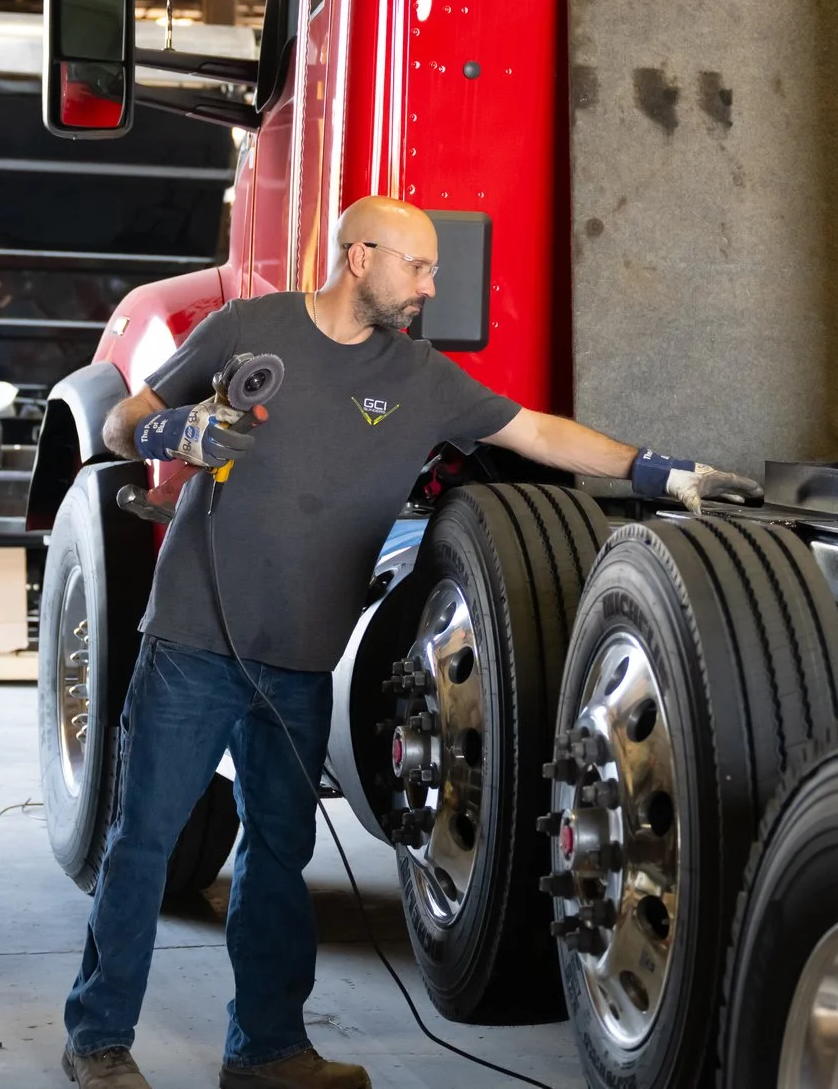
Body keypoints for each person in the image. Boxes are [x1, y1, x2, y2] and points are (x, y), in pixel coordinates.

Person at [61, 196, 757, 1089]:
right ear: (359, 256)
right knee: (143, 843)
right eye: (417, 266)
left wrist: (655, 468)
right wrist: (179, 429)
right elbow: (121, 422)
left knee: (277, 856)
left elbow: (536, 430)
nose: (430, 286)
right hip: (196, 639)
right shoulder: (246, 328)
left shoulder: (421, 377)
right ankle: (98, 1038)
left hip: (301, 659)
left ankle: (265, 1049)